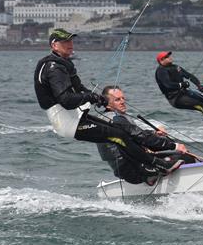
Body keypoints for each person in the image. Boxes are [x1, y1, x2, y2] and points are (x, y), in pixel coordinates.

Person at [34, 29, 180, 176]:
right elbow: (66, 100)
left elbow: (79, 89)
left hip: (74, 117)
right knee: (119, 136)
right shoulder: (54, 68)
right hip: (66, 122)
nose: (70, 44)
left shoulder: (62, 64)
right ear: (54, 45)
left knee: (121, 132)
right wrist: (91, 98)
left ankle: (145, 168)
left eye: (71, 40)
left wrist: (99, 98)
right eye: (65, 41)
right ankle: (158, 165)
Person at [97, 86, 194, 184]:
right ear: (107, 104)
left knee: (174, 155)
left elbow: (136, 135)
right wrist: (175, 146)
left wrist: (154, 133)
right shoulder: (117, 119)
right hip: (133, 169)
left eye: (123, 98)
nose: (122, 102)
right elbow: (143, 138)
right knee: (185, 157)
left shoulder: (104, 118)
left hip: (127, 168)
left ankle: (156, 177)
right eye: (117, 100)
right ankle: (155, 178)